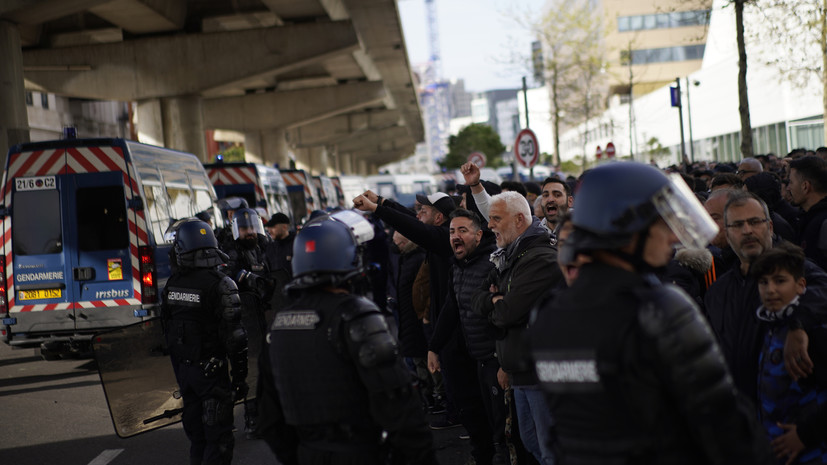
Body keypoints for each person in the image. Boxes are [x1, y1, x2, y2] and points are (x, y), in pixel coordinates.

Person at [530, 162, 772, 464]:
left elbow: (562, 432)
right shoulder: (660, 308)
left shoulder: (548, 313)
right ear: (628, 228)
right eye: (663, 224)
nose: (673, 237)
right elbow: (727, 428)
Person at [261, 211, 437, 465]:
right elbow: (401, 409)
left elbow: (269, 419)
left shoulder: (278, 325)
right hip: (360, 452)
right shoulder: (357, 316)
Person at [472, 191, 562, 465]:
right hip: (519, 371)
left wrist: (497, 303)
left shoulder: (539, 258)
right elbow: (475, 299)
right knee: (532, 442)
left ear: (520, 220)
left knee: (549, 451)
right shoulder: (507, 255)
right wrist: (494, 300)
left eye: (496, 219)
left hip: (538, 373)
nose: (490, 226)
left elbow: (507, 314)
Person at [162, 220, 248, 465]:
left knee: (197, 439)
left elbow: (166, 329)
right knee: (218, 439)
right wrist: (241, 378)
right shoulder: (221, 284)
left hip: (187, 374)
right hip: (212, 375)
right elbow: (236, 338)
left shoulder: (171, 285)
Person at [751, 244, 827, 464]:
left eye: (780, 281)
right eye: (763, 282)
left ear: (801, 285)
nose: (770, 290)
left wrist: (806, 434)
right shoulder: (771, 326)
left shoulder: (815, 333)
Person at [224, 207, 274, 438]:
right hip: (247, 318)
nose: (249, 232)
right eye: (244, 228)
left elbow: (278, 271)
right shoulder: (232, 249)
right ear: (237, 230)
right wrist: (247, 277)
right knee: (251, 370)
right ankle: (252, 418)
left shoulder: (266, 246)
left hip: (270, 314)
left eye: (251, 227)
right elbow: (229, 273)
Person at [787, 156, 827, 271]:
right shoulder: (806, 217)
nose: (788, 188)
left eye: (791, 182)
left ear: (805, 186)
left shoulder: (823, 223)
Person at [264, 212, 295, 327]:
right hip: (277, 305)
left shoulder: (296, 244)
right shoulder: (270, 248)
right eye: (269, 227)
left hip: (295, 301)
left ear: (284, 226)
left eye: (274, 227)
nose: (270, 230)